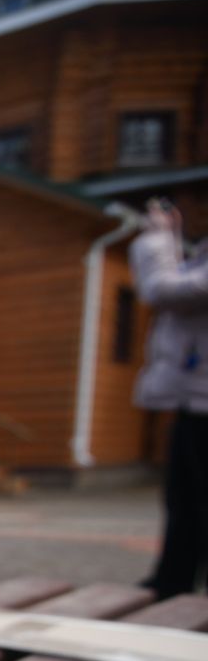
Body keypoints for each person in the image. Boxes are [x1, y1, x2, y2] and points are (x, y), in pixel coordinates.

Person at [131, 198, 208, 597]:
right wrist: (174, 242)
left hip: (202, 400)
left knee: (193, 496)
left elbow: (164, 290)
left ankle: (176, 583)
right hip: (195, 397)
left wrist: (159, 240)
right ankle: (174, 580)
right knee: (184, 495)